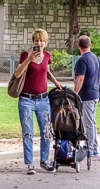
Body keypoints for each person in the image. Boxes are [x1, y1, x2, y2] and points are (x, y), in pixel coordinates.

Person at [14, 28, 62, 175]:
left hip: (43, 100)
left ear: (45, 43)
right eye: (36, 40)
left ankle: (44, 161)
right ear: (33, 42)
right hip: (26, 99)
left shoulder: (47, 56)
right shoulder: (25, 55)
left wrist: (56, 83)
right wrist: (28, 60)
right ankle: (30, 164)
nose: (39, 43)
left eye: (41, 40)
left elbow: (46, 71)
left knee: (46, 132)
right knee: (28, 132)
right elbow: (17, 74)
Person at [74, 35, 100, 157]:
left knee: (89, 122)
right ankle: (93, 146)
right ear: (90, 45)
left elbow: (80, 79)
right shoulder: (95, 58)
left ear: (79, 46)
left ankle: (91, 148)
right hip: (95, 93)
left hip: (87, 95)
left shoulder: (82, 60)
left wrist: (75, 94)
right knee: (91, 121)